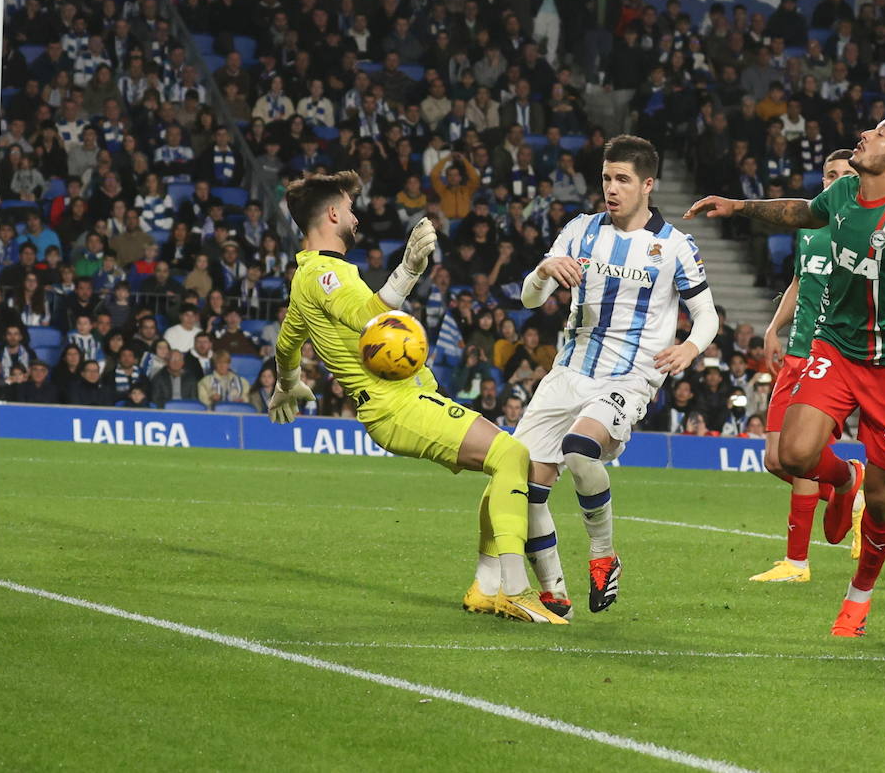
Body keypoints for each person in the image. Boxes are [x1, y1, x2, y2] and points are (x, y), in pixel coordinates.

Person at [686, 115, 885, 636]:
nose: (867, 135)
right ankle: (845, 478)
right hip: (836, 348)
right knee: (792, 454)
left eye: (882, 133)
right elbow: (800, 210)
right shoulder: (842, 195)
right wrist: (738, 206)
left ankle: (858, 597)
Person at [271, 172, 563, 624]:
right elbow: (370, 315)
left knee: (505, 461)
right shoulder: (328, 273)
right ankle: (515, 589)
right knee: (511, 456)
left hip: (403, 401)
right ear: (332, 214)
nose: (355, 216)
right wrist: (408, 269)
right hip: (397, 404)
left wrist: (286, 382)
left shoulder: (304, 275)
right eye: (349, 208)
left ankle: (487, 588)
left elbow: (288, 340)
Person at [513, 135, 718, 619]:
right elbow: (529, 300)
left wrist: (691, 346)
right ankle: (553, 592)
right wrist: (544, 270)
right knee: (523, 486)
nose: (612, 188)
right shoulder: (580, 231)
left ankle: (603, 555)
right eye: (607, 178)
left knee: (580, 449)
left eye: (623, 179)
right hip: (569, 370)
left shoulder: (673, 246)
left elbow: (706, 315)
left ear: (647, 184)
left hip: (629, 378)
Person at [749, 149, 862, 583]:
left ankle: (796, 563)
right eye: (828, 174)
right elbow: (799, 279)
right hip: (794, 349)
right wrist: (773, 327)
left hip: (827, 355)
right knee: (776, 460)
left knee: (799, 457)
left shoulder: (862, 230)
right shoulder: (811, 228)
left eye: (844, 174)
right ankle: (848, 480)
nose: (834, 181)